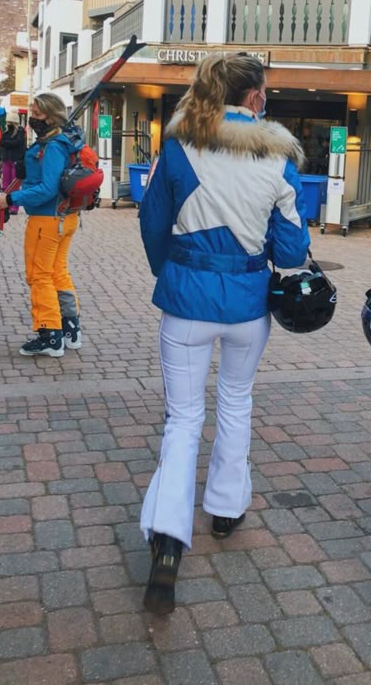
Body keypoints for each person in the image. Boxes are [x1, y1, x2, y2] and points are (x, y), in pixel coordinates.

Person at [138, 52, 310, 616]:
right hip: (246, 305)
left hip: (186, 299)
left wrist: (170, 269)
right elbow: (289, 250)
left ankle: (167, 538)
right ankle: (226, 509)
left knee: (182, 417)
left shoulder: (180, 143)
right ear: (256, 96)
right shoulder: (279, 155)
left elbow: (152, 220)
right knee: (236, 400)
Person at [0, 93, 83, 358]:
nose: (32, 116)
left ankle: (50, 335)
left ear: (50, 115)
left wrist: (10, 198)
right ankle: (69, 329)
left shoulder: (54, 145)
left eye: (37, 112)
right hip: (65, 217)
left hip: (47, 219)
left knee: (39, 275)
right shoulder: (65, 141)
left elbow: (47, 188)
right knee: (57, 272)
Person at [0, 112, 26, 214]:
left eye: (10, 122)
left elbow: (17, 143)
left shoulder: (20, 131)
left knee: (14, 185)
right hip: (7, 159)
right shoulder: (5, 132)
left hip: (16, 160)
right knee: (5, 184)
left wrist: (8, 143)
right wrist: (9, 143)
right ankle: (6, 204)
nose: (8, 124)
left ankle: (14, 207)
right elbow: (2, 142)